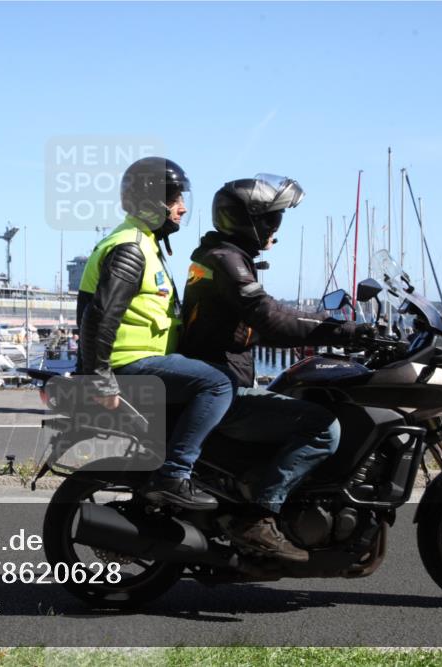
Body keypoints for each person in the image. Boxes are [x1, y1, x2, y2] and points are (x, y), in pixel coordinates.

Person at [180, 175, 373, 561]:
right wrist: (348, 332)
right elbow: (270, 319)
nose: (276, 228)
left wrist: (329, 324)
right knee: (321, 428)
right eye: (272, 219)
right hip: (222, 389)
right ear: (250, 221)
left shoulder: (221, 257)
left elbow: (268, 317)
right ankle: (260, 515)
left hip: (219, 380)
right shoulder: (227, 262)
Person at [77, 157, 235, 510]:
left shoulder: (145, 242)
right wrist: (100, 380)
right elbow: (99, 316)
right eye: (174, 199)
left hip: (142, 360)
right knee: (218, 383)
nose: (181, 208)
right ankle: (173, 475)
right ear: (150, 201)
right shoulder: (130, 248)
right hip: (127, 363)